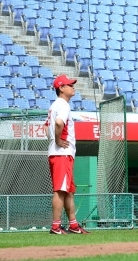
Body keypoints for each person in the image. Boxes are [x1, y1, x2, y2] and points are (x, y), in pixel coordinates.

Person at [44, 74, 89, 234]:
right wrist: (57, 141)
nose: (73, 87)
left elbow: (46, 127)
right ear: (61, 88)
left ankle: (74, 225)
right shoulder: (63, 105)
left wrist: (53, 140)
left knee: (68, 190)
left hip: (60, 153)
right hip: (61, 153)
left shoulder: (54, 105)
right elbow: (58, 123)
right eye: (69, 85)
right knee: (60, 190)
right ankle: (55, 226)